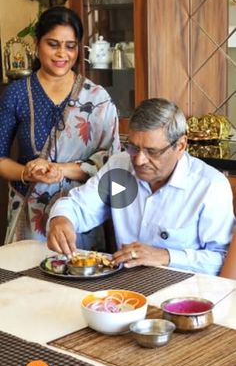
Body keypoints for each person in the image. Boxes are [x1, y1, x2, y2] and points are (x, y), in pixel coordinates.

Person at [47, 98, 235, 275]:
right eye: (133, 148)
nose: (139, 160)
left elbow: (221, 258)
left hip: (185, 295)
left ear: (180, 145)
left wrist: (165, 256)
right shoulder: (120, 168)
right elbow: (79, 206)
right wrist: (61, 219)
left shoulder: (210, 186)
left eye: (152, 151)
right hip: (125, 285)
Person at [0, 6, 120, 247]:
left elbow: (113, 163)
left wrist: (60, 169)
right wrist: (27, 173)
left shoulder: (97, 98)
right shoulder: (16, 93)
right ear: (37, 44)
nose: (62, 54)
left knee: (79, 278)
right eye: (53, 44)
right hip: (29, 212)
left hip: (80, 213)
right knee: (29, 281)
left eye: (70, 46)